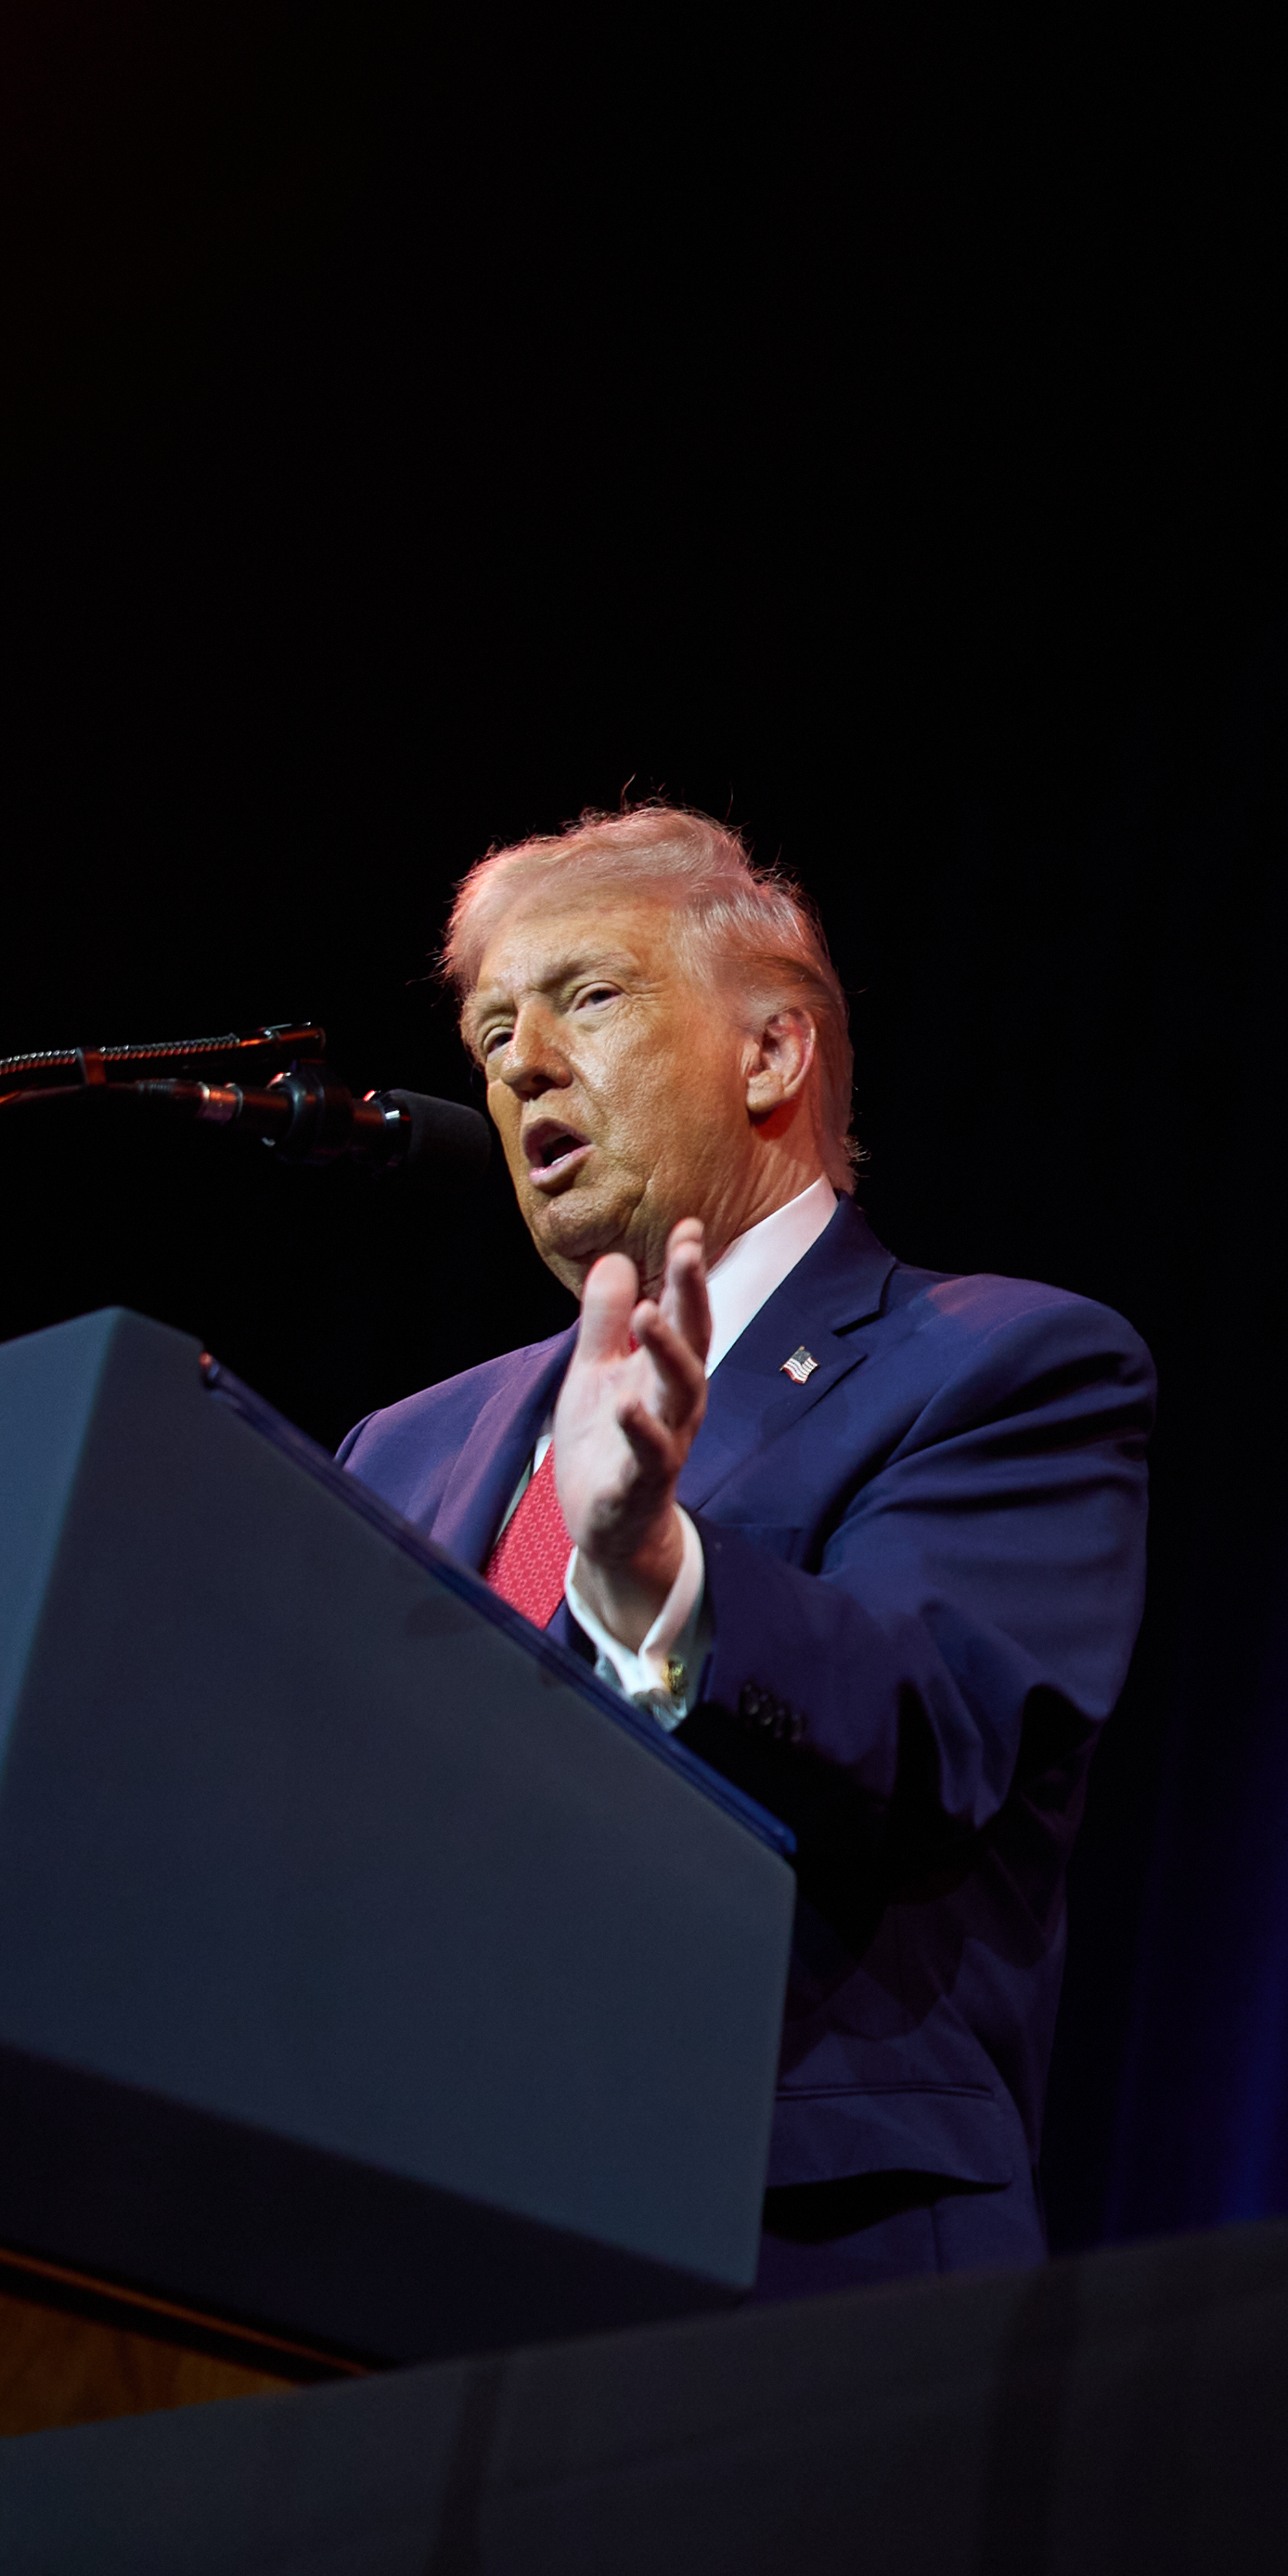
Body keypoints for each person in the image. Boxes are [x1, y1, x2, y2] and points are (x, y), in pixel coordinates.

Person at [316, 800, 1159, 2293]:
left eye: (587, 996)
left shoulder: (1005, 1363)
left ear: (771, 1054)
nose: (521, 1066)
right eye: (491, 1032)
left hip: (773, 2248)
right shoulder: (405, 1446)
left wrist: (654, 1571)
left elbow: (924, 1723)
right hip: (398, 2248)